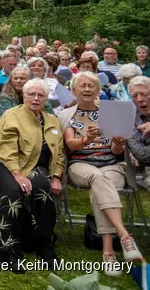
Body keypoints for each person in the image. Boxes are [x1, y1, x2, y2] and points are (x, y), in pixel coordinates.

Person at [58, 71, 142, 274]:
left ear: (98, 89)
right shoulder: (66, 114)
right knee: (98, 177)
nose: (87, 89)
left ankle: (108, 252)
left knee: (102, 182)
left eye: (91, 86)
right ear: (74, 90)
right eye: (82, 86)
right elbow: (71, 144)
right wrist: (86, 139)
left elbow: (117, 151)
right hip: (81, 164)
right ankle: (123, 234)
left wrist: (118, 143)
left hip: (112, 164)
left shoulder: (112, 111)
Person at [0, 78, 64, 272]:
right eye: (31, 94)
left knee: (44, 189)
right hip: (6, 163)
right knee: (13, 192)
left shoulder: (52, 120)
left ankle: (43, 243)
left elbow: (59, 152)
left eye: (41, 95)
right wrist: (17, 174)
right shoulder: (11, 115)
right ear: (23, 95)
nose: (36, 98)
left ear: (46, 99)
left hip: (35, 166)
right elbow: (6, 149)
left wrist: (56, 176)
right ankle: (7, 248)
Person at [127, 76, 150, 189]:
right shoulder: (130, 118)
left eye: (144, 94)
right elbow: (141, 153)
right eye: (134, 96)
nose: (139, 99)